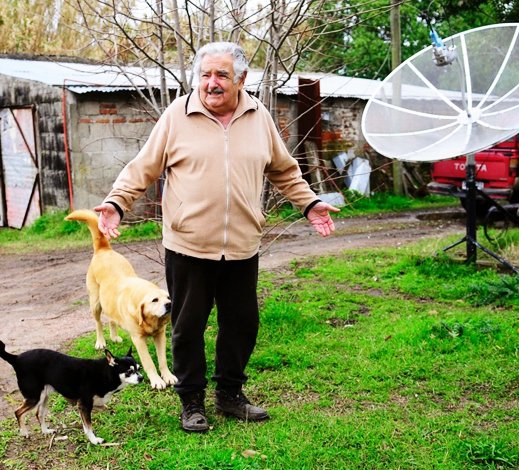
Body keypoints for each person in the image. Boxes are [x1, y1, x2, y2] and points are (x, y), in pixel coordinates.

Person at [94, 41, 339, 433]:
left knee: (241, 323)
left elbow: (284, 169)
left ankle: (230, 394)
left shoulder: (259, 117)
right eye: (205, 74)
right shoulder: (177, 116)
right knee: (187, 327)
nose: (212, 83)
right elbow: (143, 168)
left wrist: (309, 203)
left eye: (221, 75)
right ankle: (191, 401)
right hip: (188, 246)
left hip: (242, 246)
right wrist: (116, 203)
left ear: (240, 79)